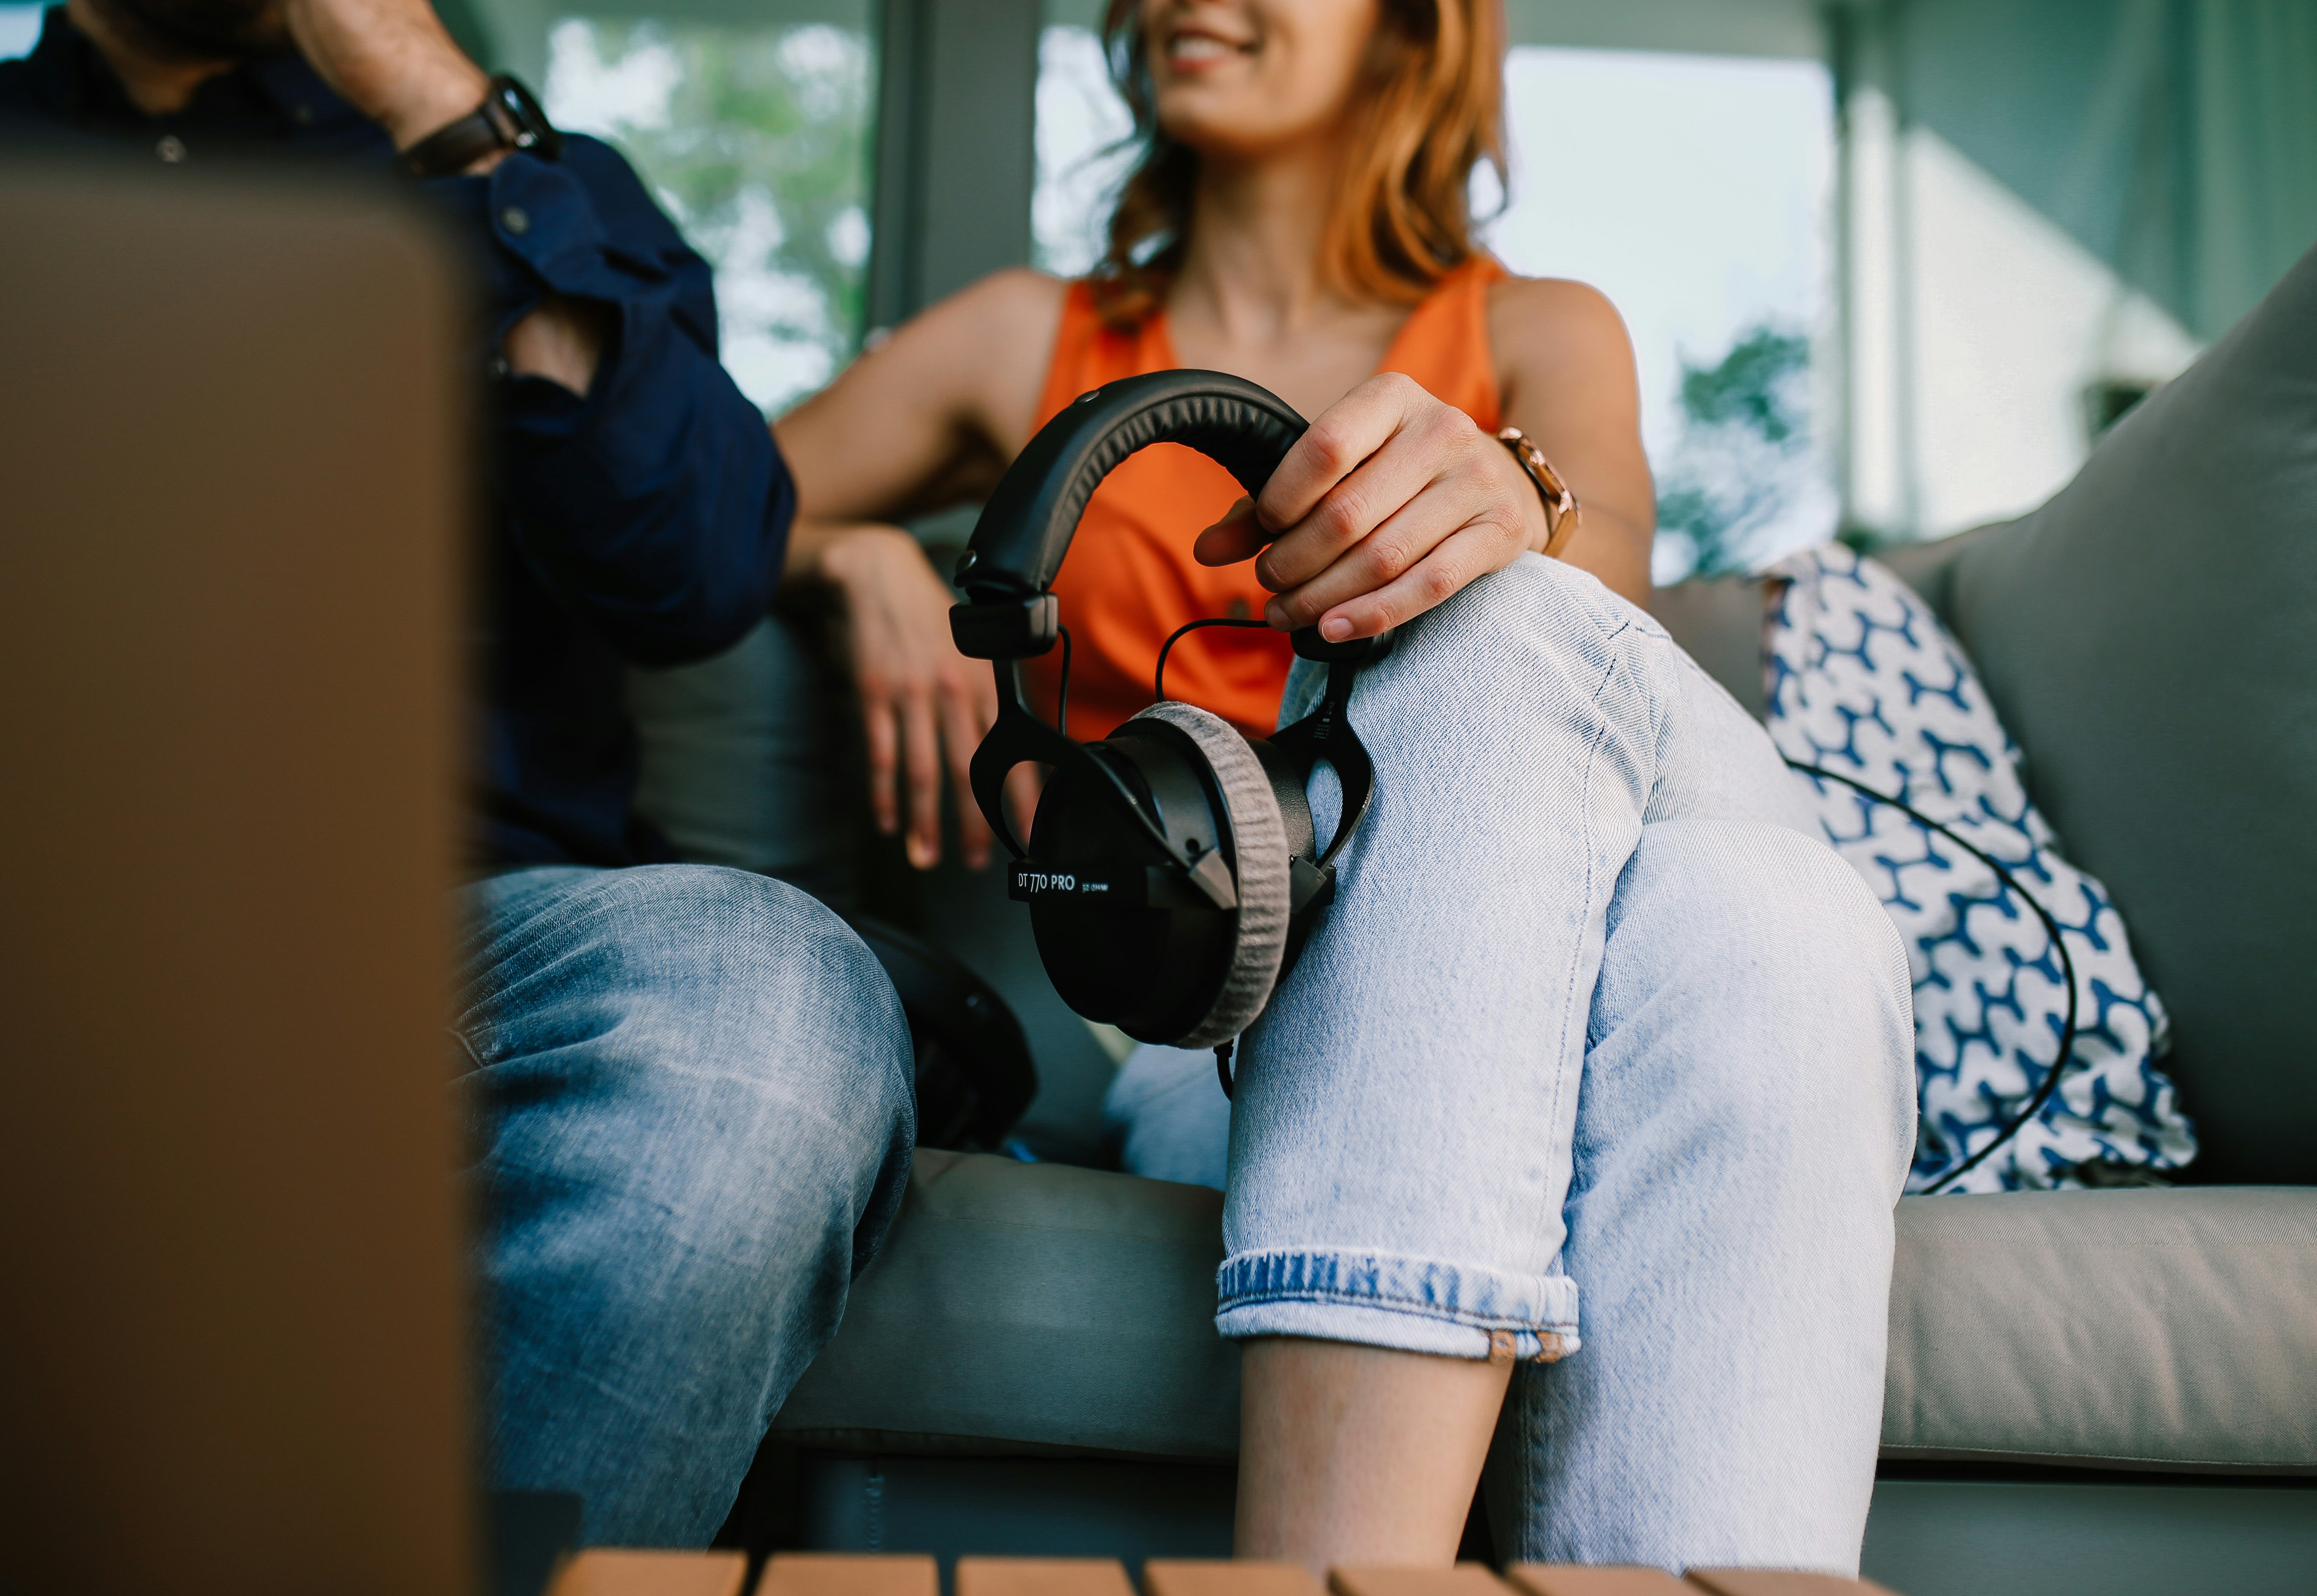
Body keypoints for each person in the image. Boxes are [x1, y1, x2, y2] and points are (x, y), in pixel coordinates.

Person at [768, 0, 1915, 1576]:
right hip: (1233, 1027)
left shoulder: (1544, 328)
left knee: (1543, 650)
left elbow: (1608, 638)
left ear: (1409, 30)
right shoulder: (1018, 336)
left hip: (1571, 940)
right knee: (1769, 927)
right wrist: (850, 561)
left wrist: (1512, 494)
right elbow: (709, 505)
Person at [0, 0, 913, 1548]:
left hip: (434, 939)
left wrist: (437, 111)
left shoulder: (529, 183)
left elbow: (699, 572)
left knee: (761, 998)